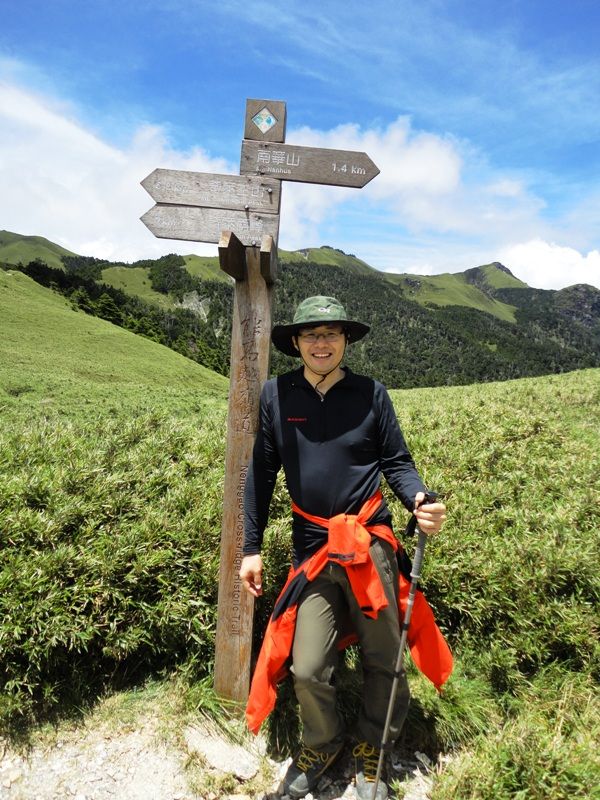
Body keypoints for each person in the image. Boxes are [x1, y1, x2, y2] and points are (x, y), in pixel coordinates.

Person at [239, 296, 449, 800]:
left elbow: (396, 462)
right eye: (311, 334)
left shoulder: (371, 394)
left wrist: (419, 498)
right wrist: (251, 547)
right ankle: (324, 740)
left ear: (345, 340)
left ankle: (373, 750)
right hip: (313, 551)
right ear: (295, 342)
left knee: (385, 656)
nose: (321, 343)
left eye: (331, 333)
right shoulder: (276, 395)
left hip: (370, 544)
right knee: (308, 666)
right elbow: (261, 474)